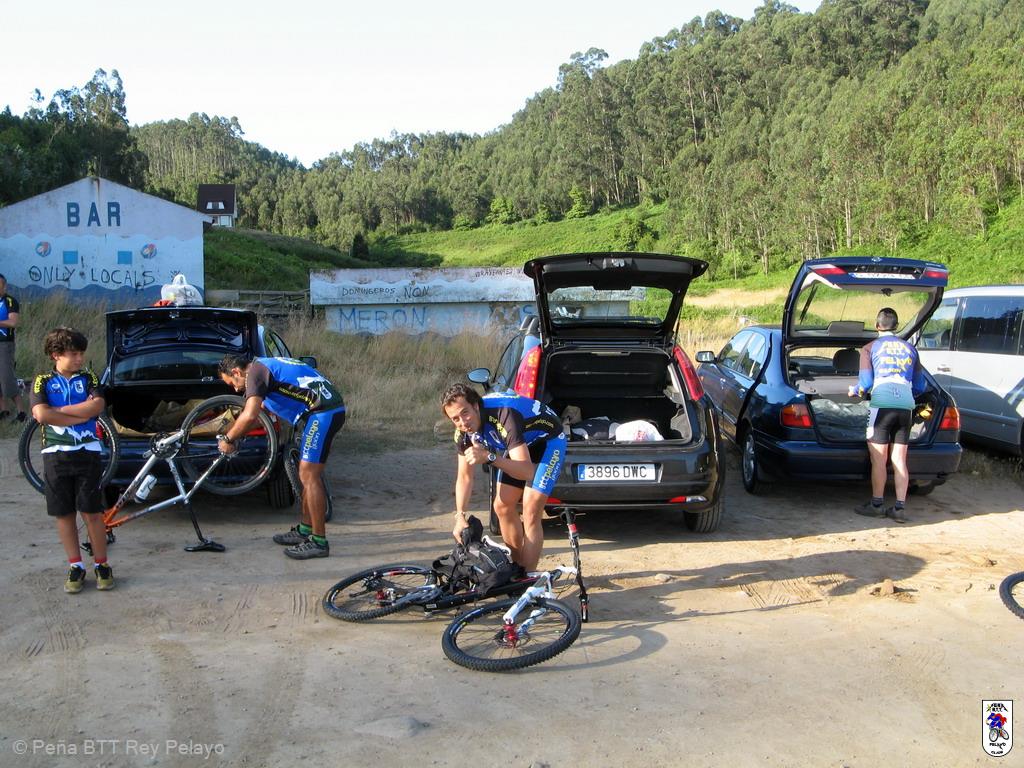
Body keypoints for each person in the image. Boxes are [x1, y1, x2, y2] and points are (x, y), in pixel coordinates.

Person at [217, 354, 345, 559]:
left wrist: (228, 438)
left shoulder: (255, 373)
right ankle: (305, 530)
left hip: (322, 413)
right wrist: (234, 432)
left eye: (232, 383)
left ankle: (319, 542)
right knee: (306, 476)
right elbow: (257, 415)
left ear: (236, 372)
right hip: (326, 410)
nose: (235, 389)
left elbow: (250, 415)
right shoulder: (263, 366)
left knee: (309, 476)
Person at [441, 382, 566, 572]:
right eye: (455, 419)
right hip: (520, 441)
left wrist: (489, 457)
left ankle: (527, 576)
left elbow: (526, 471)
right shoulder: (463, 433)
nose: (463, 422)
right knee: (502, 506)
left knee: (531, 511)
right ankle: (516, 569)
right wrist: (460, 516)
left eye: (465, 413)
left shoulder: (503, 416)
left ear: (476, 406)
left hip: (548, 441)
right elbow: (464, 477)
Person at [29, 327, 114, 593]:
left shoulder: (88, 377)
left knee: (92, 512)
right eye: (73, 354)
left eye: (81, 353)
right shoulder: (42, 380)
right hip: (55, 455)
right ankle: (75, 566)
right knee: (64, 513)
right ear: (56, 355)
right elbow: (41, 415)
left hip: (88, 452)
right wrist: (80, 415)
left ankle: (101, 564)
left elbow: (97, 407)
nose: (79, 359)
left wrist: (61, 411)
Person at [851, 307, 927, 523]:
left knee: (879, 458)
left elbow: (865, 383)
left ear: (877, 326)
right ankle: (899, 508)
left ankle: (876, 505)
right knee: (899, 459)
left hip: (882, 406)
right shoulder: (910, 349)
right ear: (897, 326)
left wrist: (854, 390)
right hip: (906, 406)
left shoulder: (869, 348)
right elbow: (920, 385)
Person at [0, 273, 26, 422]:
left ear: (4, 286)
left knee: (7, 377)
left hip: (5, 344)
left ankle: (21, 412)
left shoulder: (10, 301)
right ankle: (4, 411)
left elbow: (13, 322)